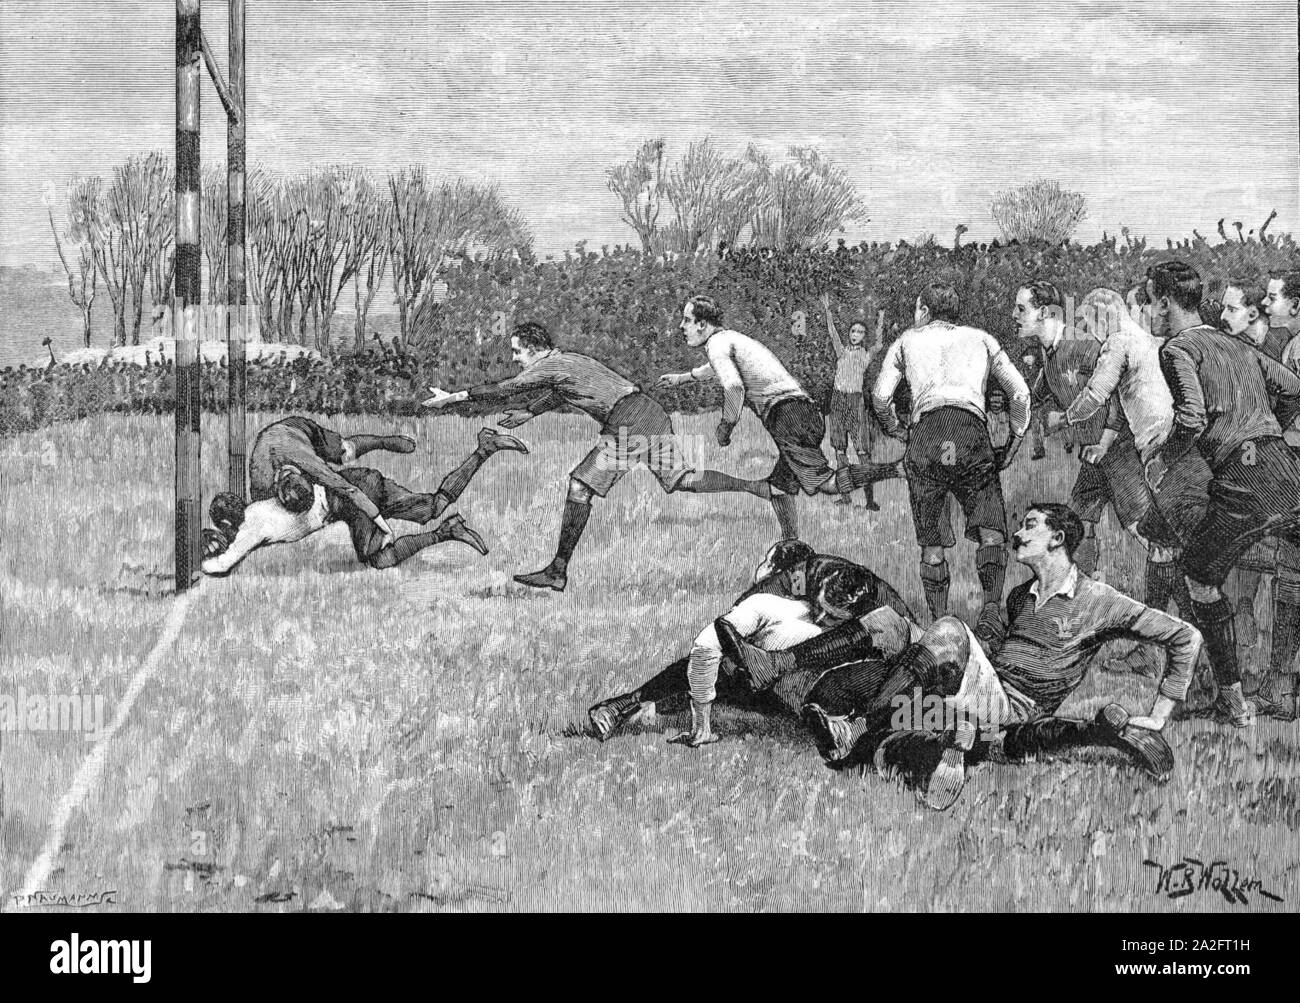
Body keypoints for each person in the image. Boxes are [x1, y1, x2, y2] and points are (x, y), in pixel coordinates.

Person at [726, 504, 1198, 811]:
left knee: (949, 631)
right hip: (981, 688)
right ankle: (780, 666)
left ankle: (864, 732)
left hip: (1014, 708)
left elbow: (1185, 638)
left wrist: (1160, 714)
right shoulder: (1021, 596)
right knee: (890, 623)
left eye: (1030, 525)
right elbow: (991, 657)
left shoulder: (1100, 600)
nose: (1018, 533)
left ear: (1058, 540)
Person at [424, 320, 825, 592]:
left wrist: (454, 398)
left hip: (630, 420)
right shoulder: (569, 362)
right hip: (649, 410)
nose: (515, 358)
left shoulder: (551, 363)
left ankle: (557, 571)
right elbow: (561, 392)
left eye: (517, 352)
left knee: (580, 486)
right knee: (682, 479)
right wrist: (531, 413)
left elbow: (506, 388)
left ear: (535, 349)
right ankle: (758, 487)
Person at [1145, 261, 1300, 726]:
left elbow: (1190, 418)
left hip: (1244, 478)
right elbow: (1294, 389)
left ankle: (1233, 699)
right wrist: (1264, 420)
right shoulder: (1236, 343)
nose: (1149, 311)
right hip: (1286, 471)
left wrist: (1162, 460)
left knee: (1197, 575)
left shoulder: (1177, 348)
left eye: (1150, 301)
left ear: (1166, 302)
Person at [586, 541, 915, 747]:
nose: (821, 619)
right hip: (773, 661)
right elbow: (745, 609)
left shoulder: (884, 606)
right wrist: (743, 649)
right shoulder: (805, 575)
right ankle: (626, 704)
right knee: (728, 662)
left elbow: (911, 640)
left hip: (819, 677)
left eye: (832, 618)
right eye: (821, 609)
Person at [655, 296, 900, 542]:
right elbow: (715, 369)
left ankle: (898, 469)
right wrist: (682, 378)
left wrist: (726, 426)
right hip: (802, 412)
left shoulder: (716, 345)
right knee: (779, 488)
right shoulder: (729, 339)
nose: (681, 327)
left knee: (828, 483)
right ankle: (791, 544)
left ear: (702, 324)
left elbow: (734, 388)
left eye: (687, 320)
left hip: (787, 416)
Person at [871, 280, 1032, 644]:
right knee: (990, 530)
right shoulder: (982, 339)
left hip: (927, 432)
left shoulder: (906, 341)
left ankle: (941, 623)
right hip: (970, 430)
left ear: (924, 311)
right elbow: (1020, 393)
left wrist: (898, 430)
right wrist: (1015, 439)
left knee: (932, 541)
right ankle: (991, 611)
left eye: (917, 309)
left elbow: (881, 397)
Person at [202, 416, 524, 575]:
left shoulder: (307, 466)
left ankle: (446, 531)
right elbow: (250, 529)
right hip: (361, 477)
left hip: (328, 461)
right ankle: (484, 449)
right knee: (431, 506)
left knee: (378, 558)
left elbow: (348, 490)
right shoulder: (261, 489)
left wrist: (378, 520)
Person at [1013, 280, 1108, 575]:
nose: (1014, 315)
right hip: (1095, 456)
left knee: (1151, 537)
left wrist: (1102, 438)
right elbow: (1036, 396)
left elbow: (1113, 393)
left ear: (1043, 312)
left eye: (1020, 309)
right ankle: (1087, 588)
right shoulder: (1049, 351)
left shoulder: (1082, 344)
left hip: (1119, 452)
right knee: (1082, 521)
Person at [820, 292, 884, 509]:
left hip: (855, 402)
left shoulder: (866, 354)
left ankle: (869, 500)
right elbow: (831, 332)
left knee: (862, 452)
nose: (856, 334)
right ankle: (846, 496)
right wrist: (828, 310)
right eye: (853, 331)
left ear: (864, 335)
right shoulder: (842, 351)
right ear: (849, 333)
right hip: (838, 400)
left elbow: (880, 343)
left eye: (860, 331)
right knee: (839, 450)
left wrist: (881, 320)